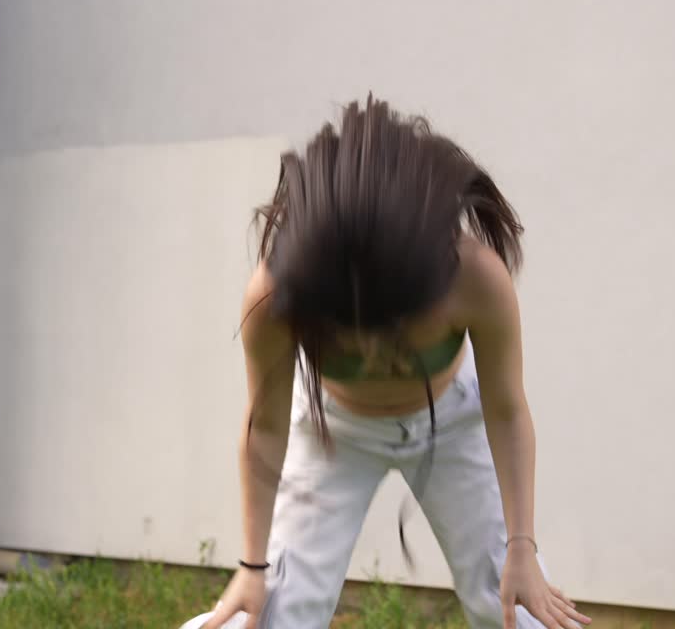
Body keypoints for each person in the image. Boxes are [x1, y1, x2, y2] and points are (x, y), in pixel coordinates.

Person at [200, 97, 590, 629]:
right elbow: (263, 424)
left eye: (395, 339)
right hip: (331, 433)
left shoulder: (476, 278)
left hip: (454, 425)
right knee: (270, 616)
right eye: (348, 341)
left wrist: (521, 548)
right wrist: (251, 566)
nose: (374, 357)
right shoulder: (275, 296)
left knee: (521, 612)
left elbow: (506, 410)